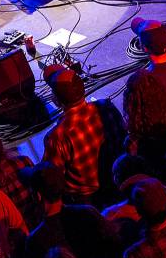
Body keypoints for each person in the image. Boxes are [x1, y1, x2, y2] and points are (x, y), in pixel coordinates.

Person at [42, 65, 127, 205]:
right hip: (120, 182)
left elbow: (52, 178)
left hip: (89, 202)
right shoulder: (106, 107)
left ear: (56, 101)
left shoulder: (57, 137)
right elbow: (125, 137)